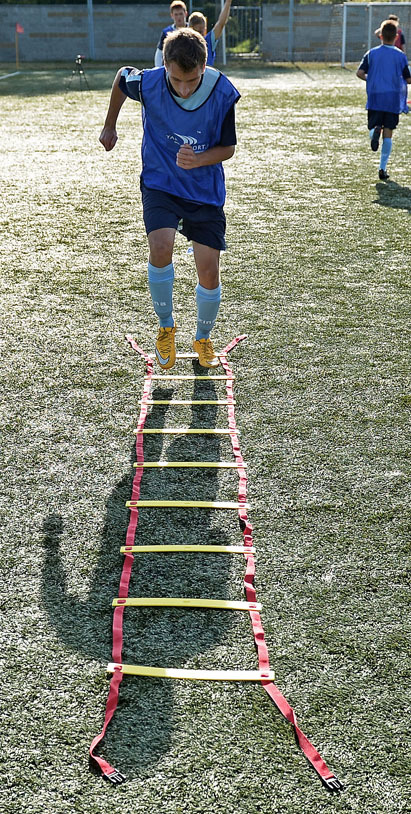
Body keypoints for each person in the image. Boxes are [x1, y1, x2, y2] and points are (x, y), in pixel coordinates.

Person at [99, 28, 240, 369]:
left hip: (204, 191)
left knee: (209, 271)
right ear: (164, 66)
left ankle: (203, 337)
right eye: (176, 80)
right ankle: (166, 327)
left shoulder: (221, 92)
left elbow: (228, 148)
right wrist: (110, 125)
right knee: (160, 247)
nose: (184, 88)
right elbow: (122, 77)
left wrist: (199, 159)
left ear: (203, 67)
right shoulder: (148, 83)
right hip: (160, 181)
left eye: (192, 80)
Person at [356, 19, 411, 180]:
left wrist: (371, 80)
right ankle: (382, 168)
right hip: (392, 98)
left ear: (380, 35)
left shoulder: (371, 53)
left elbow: (360, 73)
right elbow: (408, 79)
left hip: (375, 96)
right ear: (396, 37)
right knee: (388, 132)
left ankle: (374, 132)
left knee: (374, 126)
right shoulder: (400, 56)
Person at [189, 0, 232, 67]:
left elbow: (221, 23)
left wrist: (228, 2)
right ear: (190, 30)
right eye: (197, 32)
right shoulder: (185, 44)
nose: (200, 35)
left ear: (205, 29)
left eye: (202, 31)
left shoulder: (208, 41)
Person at [154, 1, 188, 68]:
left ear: (186, 14)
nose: (179, 17)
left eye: (181, 14)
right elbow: (159, 53)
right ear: (171, 15)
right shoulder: (166, 32)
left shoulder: (192, 29)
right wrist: (158, 69)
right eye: (176, 14)